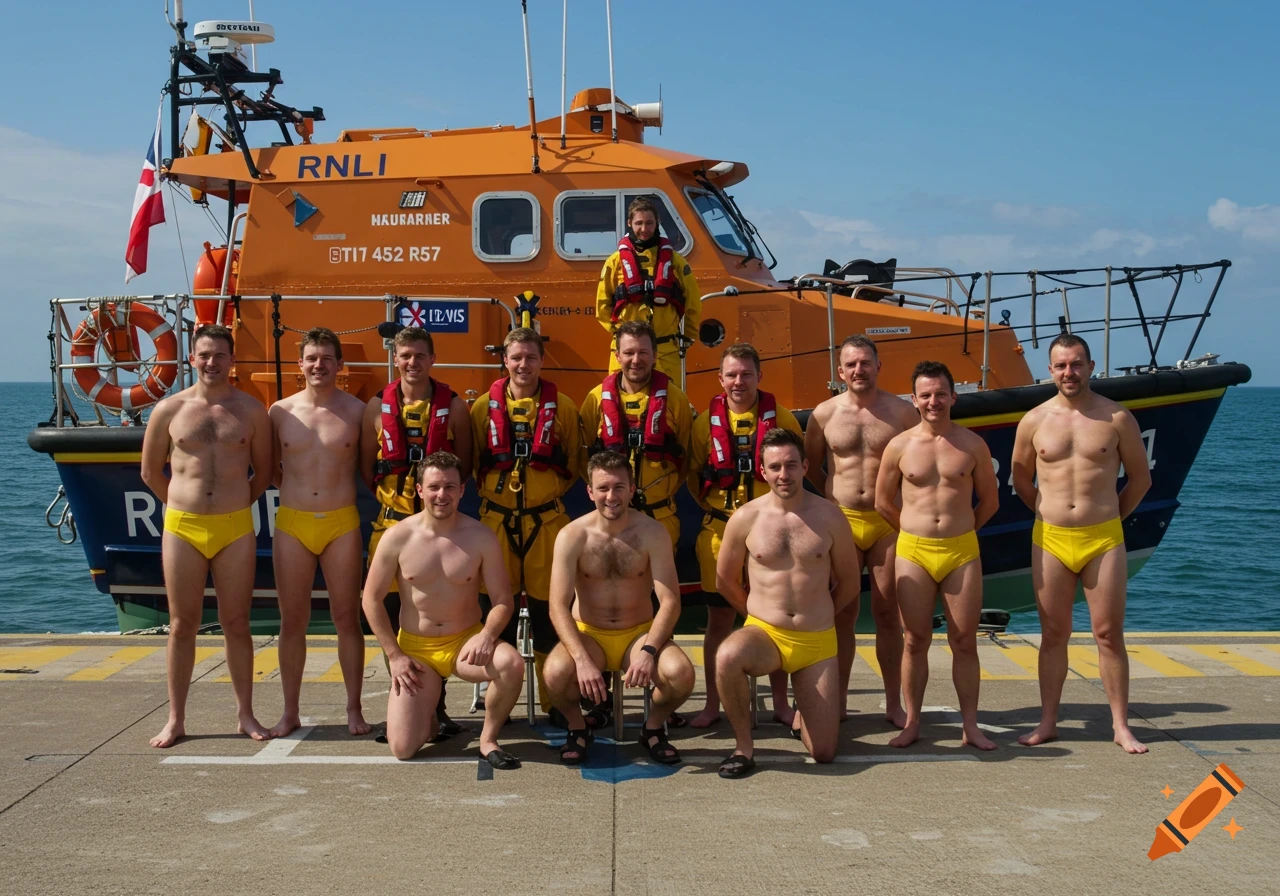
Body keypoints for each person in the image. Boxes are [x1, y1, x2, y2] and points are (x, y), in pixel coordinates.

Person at [1011, 334, 1152, 753]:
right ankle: (1048, 721)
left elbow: (1140, 479)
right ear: (1050, 370)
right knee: (1053, 633)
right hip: (1051, 538)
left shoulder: (1117, 418)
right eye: (1060, 366)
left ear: (1091, 367)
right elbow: (1020, 477)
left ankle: (1121, 725)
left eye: (1076, 364)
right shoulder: (1034, 420)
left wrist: (1110, 518)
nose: (1068, 373)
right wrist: (1046, 510)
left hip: (1103, 538)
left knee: (1108, 633)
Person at [141, 324, 273, 747]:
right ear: (191, 360)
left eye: (219, 355)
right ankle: (176, 719)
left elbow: (264, 472)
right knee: (183, 625)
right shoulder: (168, 410)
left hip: (235, 527)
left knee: (237, 623)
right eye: (204, 355)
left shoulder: (251, 411)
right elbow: (149, 471)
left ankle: (245, 715)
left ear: (232, 361)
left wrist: (233, 506)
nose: (211, 362)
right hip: (183, 526)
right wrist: (182, 506)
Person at [360, 452, 525, 768]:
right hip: (416, 651)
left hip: (464, 643)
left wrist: (488, 636)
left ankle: (488, 739)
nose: (442, 495)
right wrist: (395, 656)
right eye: (434, 487)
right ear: (419, 490)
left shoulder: (480, 537)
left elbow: (504, 600)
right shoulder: (397, 536)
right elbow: (371, 599)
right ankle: (429, 716)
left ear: (463, 490)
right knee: (403, 749)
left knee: (511, 665)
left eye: (450, 486)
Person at [713, 429, 860, 778]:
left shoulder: (829, 516)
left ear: (805, 466)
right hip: (765, 633)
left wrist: (821, 611)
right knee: (727, 656)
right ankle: (743, 747)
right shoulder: (746, 518)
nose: (784, 474)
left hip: (816, 639)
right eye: (775, 466)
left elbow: (850, 582)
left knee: (823, 753)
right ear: (762, 470)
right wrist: (756, 614)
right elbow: (725, 580)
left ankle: (801, 718)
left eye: (791, 465)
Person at [875, 360, 1000, 750]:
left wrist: (961, 531)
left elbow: (991, 501)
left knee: (964, 640)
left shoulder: (971, 444)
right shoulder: (899, 446)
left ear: (953, 396)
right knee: (915, 640)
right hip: (913, 550)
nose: (934, 401)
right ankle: (912, 722)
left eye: (940, 394)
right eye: (926, 395)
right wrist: (914, 530)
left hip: (961, 551)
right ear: (913, 400)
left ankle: (971, 726)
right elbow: (882, 502)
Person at [543, 450, 695, 764]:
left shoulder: (653, 532)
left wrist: (649, 650)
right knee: (555, 674)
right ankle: (578, 727)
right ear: (589, 491)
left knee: (681, 675)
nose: (611, 496)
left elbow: (670, 601)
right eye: (603, 488)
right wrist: (582, 660)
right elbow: (557, 605)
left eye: (619, 487)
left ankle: (652, 727)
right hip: (590, 634)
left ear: (632, 488)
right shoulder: (572, 536)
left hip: (638, 633)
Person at [578, 320, 693, 728]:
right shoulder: (596, 399)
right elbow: (584, 459)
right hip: (611, 517)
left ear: (653, 354)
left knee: (657, 603)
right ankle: (601, 699)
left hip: (659, 515)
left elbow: (688, 459)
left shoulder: (674, 399)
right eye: (628, 352)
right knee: (610, 595)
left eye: (643, 351)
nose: (636, 359)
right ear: (617, 353)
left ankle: (658, 686)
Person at [360, 326, 473, 734]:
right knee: (391, 615)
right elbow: (366, 465)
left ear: (432, 359)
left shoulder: (454, 406)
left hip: (437, 530)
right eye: (405, 355)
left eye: (419, 355)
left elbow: (465, 464)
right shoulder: (376, 406)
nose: (412, 362)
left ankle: (436, 709)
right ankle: (406, 702)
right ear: (396, 358)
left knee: (435, 613)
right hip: (391, 526)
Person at [804, 334, 919, 727]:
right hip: (844, 523)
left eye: (865, 363)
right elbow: (813, 469)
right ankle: (836, 701)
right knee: (843, 613)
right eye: (851, 364)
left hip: (888, 523)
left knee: (889, 615)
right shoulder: (823, 414)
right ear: (840, 371)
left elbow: (916, 467)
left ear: (878, 366)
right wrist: (834, 505)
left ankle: (892, 703)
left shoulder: (903, 413)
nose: (858, 370)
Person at [686, 343, 803, 729]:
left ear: (759, 376)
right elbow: (692, 476)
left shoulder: (782, 419)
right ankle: (712, 703)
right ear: (720, 380)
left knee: (775, 620)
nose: (739, 382)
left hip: (770, 534)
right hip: (720, 533)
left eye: (746, 374)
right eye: (731, 375)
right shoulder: (703, 424)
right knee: (718, 621)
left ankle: (782, 703)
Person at [471, 327, 582, 715]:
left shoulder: (563, 407)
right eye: (515, 357)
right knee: (494, 613)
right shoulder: (482, 408)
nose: (523, 365)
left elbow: (573, 464)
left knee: (549, 613)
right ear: (505, 360)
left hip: (546, 523)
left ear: (541, 361)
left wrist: (541, 492)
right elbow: (473, 463)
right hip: (496, 525)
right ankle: (496, 694)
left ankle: (555, 696)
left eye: (530, 357)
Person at [268, 328, 370, 738]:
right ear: (300, 364)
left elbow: (366, 470)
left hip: (341, 522)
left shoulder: (358, 411)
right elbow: (271, 468)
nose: (318, 365)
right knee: (292, 620)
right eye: (311, 358)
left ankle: (354, 708)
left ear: (340, 365)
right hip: (293, 522)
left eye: (327, 358)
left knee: (347, 618)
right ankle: (289, 710)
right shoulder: (279, 412)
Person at [595, 195, 701, 381]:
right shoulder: (615, 262)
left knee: (670, 403)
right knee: (619, 401)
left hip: (666, 350)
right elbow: (602, 305)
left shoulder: (676, 262)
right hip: (626, 352)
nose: (644, 229)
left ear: (657, 222)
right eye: (639, 223)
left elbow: (693, 302)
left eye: (649, 223)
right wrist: (619, 337)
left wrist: (687, 336)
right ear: (630, 223)